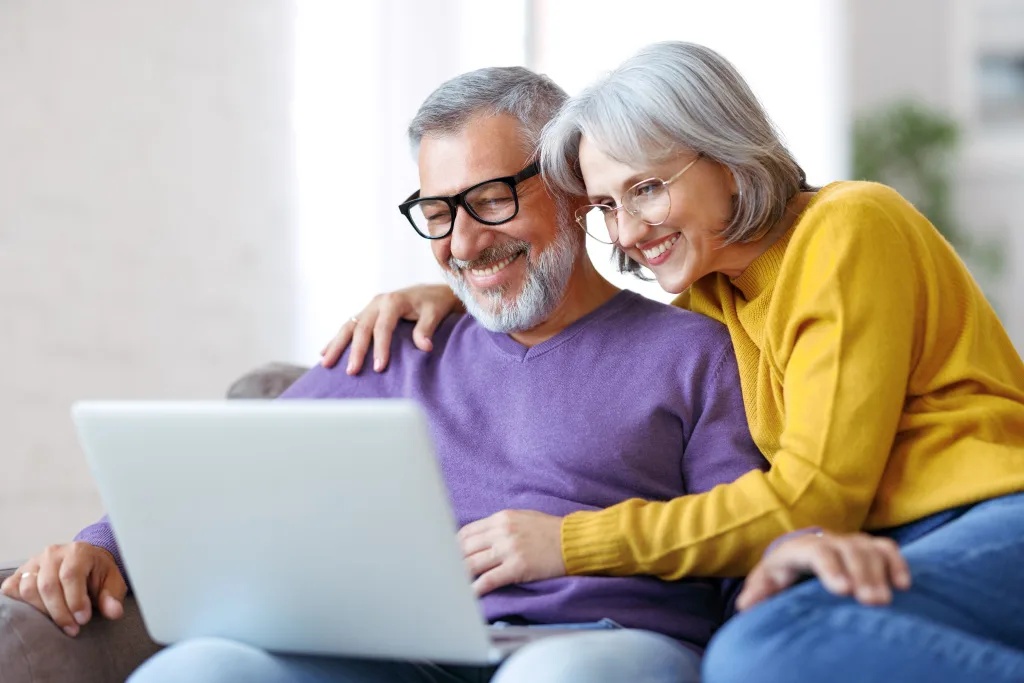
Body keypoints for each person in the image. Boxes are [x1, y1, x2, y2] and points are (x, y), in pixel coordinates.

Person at [3, 65, 787, 683]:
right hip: (398, 656)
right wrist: (101, 544)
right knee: (197, 670)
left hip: (605, 645)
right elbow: (227, 468)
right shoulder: (400, 344)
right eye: (437, 212)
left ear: (571, 188)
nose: (464, 242)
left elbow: (748, 533)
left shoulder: (695, 350)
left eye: (487, 199)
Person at [321, 41, 1024, 682]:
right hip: (869, 547)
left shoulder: (846, 226)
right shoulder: (711, 299)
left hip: (989, 513)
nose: (627, 231)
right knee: (762, 647)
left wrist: (569, 543)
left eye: (647, 188)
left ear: (726, 155)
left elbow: (817, 495)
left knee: (764, 650)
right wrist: (457, 292)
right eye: (606, 205)